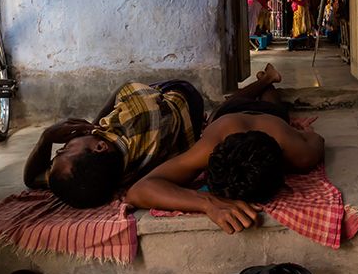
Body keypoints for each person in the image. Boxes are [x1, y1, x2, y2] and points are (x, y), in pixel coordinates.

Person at [126, 64, 325, 234]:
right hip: (228, 115)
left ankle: (268, 82)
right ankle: (266, 79)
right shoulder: (210, 147)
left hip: (270, 116)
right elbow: (138, 191)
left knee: (274, 104)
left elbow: (316, 138)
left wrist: (303, 133)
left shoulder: (299, 154)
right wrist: (206, 203)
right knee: (232, 102)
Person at [23, 80, 205, 209]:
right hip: (184, 96)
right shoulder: (140, 113)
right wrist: (92, 126)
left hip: (173, 129)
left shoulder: (97, 180)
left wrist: (45, 140)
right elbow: (125, 86)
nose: (63, 146)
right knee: (154, 90)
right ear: (100, 147)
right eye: (65, 149)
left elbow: (31, 179)